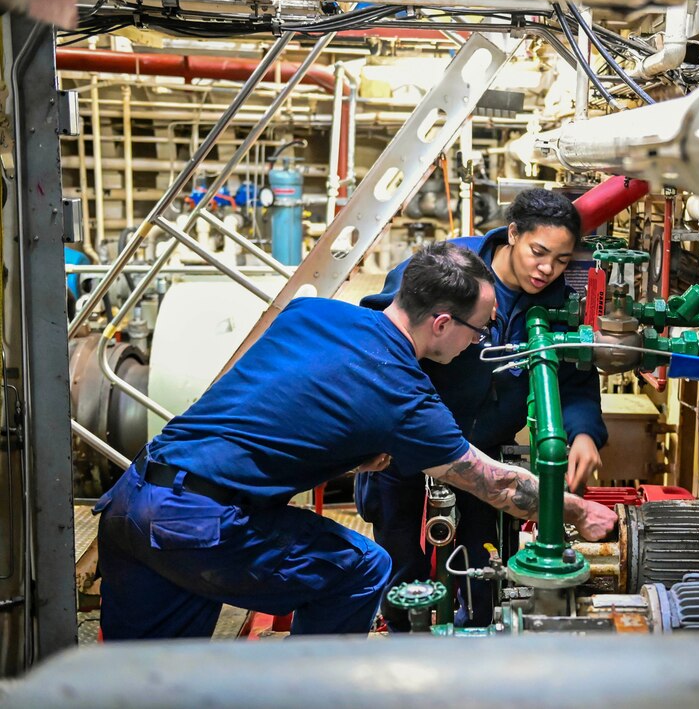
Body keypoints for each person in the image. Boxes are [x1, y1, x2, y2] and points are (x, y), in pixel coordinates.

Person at [93, 242, 616, 639]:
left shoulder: (314, 313)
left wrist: (352, 449)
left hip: (134, 500)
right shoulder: (401, 392)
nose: (476, 343)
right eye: (477, 332)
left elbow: (286, 399)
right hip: (201, 524)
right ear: (440, 323)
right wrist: (577, 512)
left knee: (142, 674)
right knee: (361, 568)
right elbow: (495, 485)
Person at [356, 188, 607, 630]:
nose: (547, 269)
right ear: (512, 234)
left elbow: (575, 380)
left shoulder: (558, 302)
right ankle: (402, 645)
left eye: (563, 260)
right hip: (410, 444)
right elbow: (382, 335)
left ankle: (477, 643)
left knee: (481, 562)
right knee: (400, 560)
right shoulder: (449, 270)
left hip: (485, 452)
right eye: (538, 252)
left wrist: (583, 431)